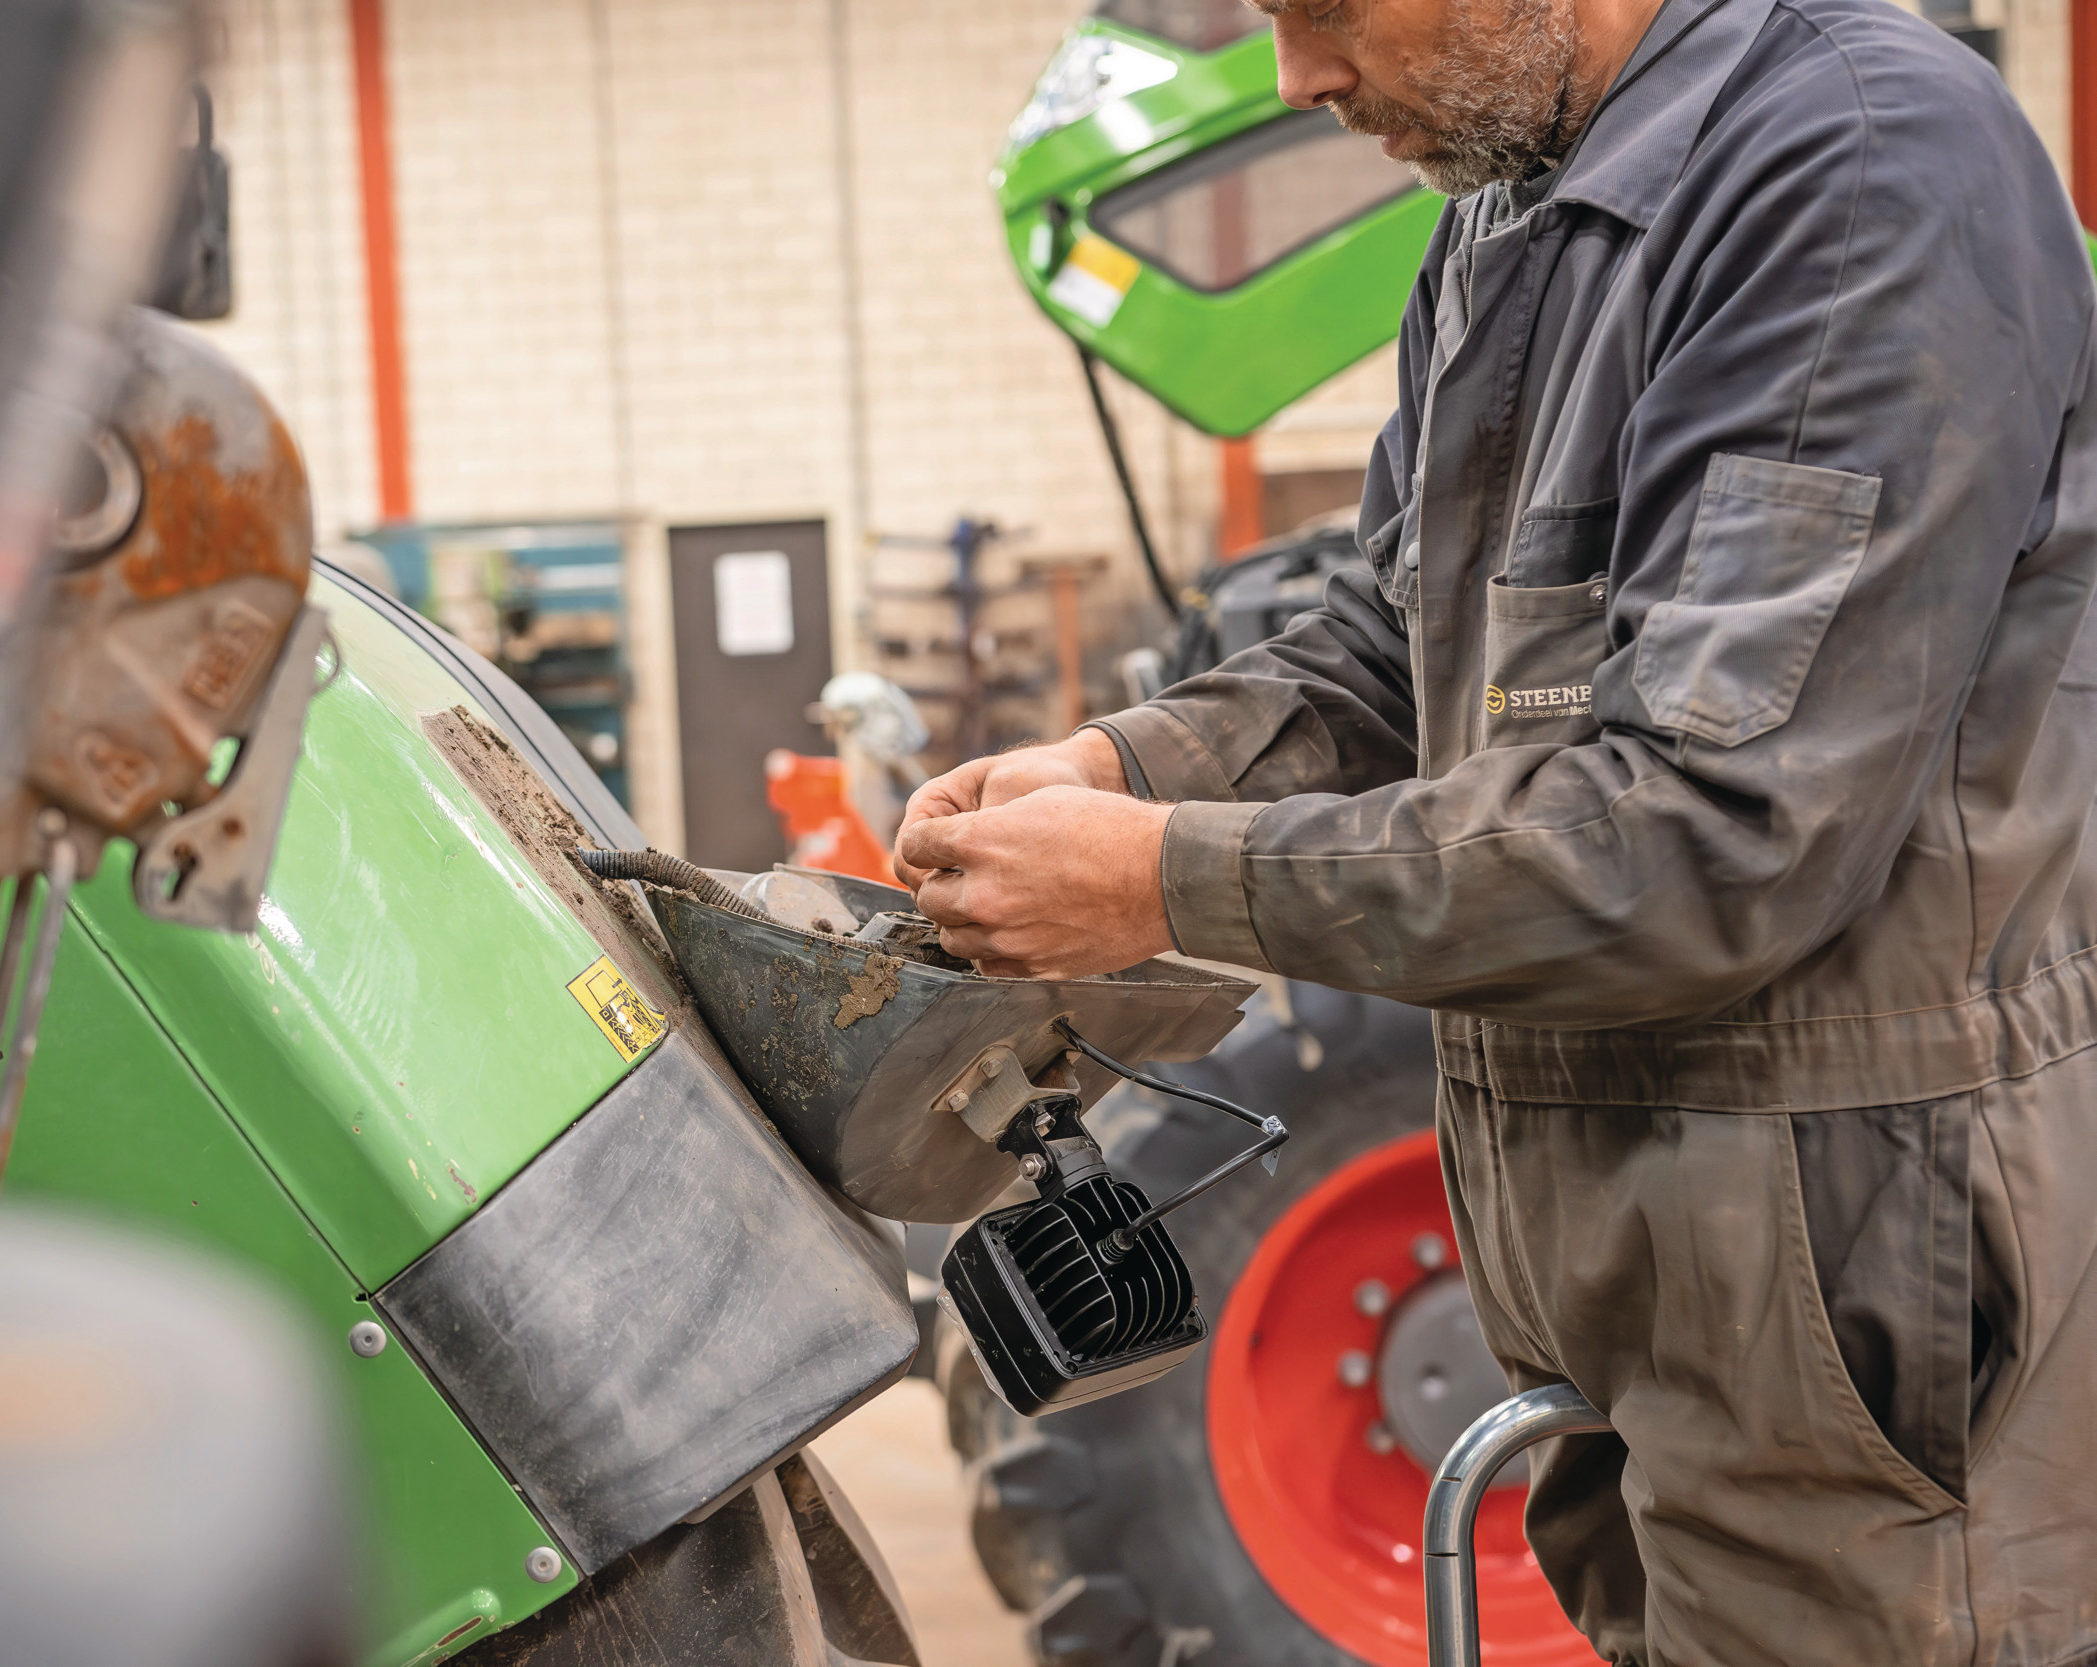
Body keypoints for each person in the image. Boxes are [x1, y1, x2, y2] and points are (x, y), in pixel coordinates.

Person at [892, 0, 2097, 1657]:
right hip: (1626, 1250)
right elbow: (1396, 642)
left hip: (1844, 1270)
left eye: (1324, 13)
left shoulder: (1856, 168)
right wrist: (1124, 765)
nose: (1300, 77)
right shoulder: (1508, 215)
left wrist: (1157, 877)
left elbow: (1712, 833)